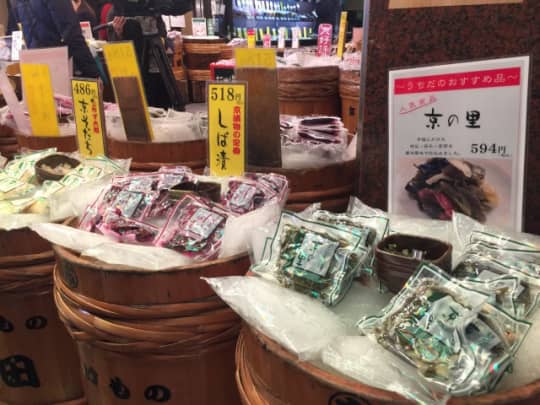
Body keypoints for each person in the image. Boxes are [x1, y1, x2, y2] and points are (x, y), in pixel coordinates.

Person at [9, 0, 99, 78]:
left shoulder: (19, 2)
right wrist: (93, 73)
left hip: (37, 68)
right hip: (61, 66)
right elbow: (71, 33)